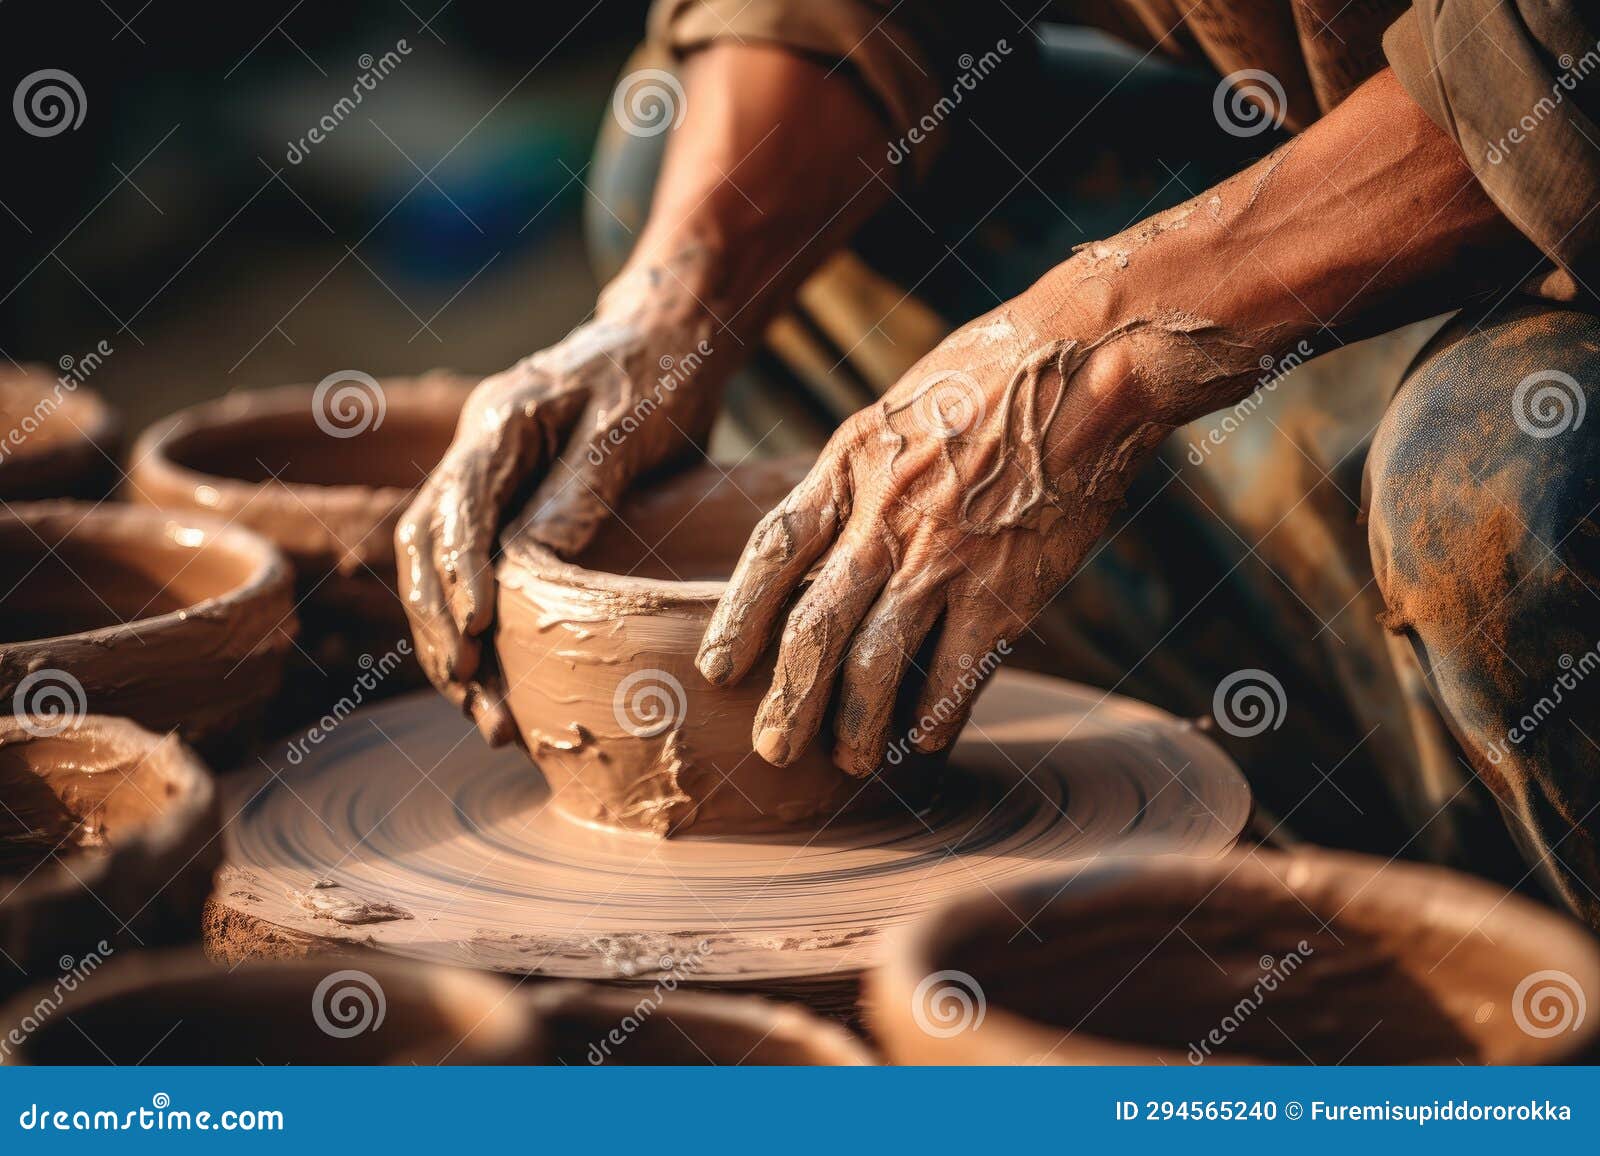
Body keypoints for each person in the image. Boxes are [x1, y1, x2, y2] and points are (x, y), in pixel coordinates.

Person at [398, 1, 1600, 928]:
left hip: (1546, 166)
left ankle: (1502, 956)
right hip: (1329, 120)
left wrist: (1098, 350)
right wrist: (671, 301)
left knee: (1507, 478)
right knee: (694, 193)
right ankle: (1328, 785)